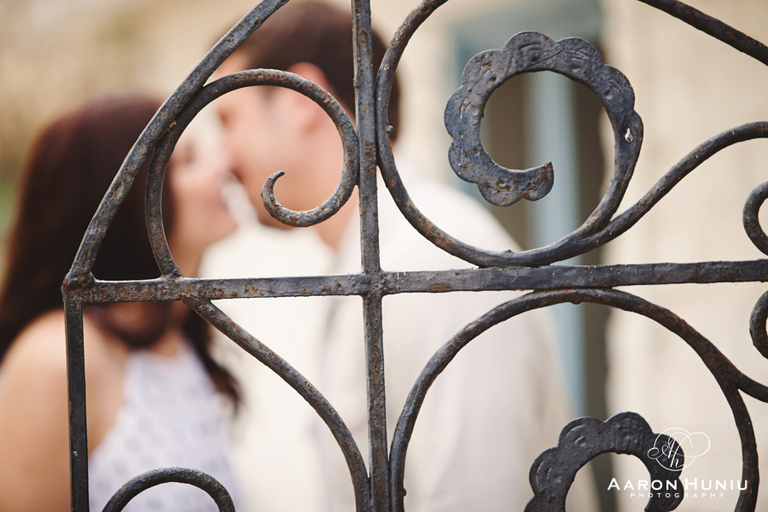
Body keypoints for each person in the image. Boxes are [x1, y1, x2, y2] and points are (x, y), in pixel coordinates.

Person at [209, 2, 595, 511]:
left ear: (300, 101)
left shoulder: (436, 264)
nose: (220, 156)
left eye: (227, 117)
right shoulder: (374, 259)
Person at [0, 95, 241, 512]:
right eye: (187, 160)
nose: (223, 164)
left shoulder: (177, 339)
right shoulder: (58, 358)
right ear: (119, 200)